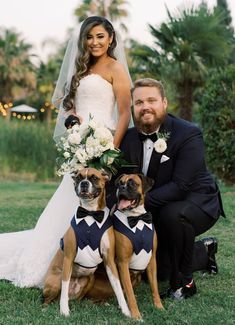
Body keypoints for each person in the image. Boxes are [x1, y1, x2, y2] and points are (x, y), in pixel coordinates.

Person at [0, 16, 132, 288]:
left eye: (100, 36)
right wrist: (75, 130)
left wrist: (112, 151)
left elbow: (124, 113)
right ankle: (51, 260)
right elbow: (71, 107)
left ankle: (91, 264)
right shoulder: (79, 69)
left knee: (95, 206)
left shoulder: (116, 68)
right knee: (67, 201)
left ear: (110, 39)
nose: (94, 42)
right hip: (79, 147)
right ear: (83, 40)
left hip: (104, 147)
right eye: (89, 37)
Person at [116, 78, 225, 300]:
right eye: (139, 102)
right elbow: (121, 178)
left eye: (151, 100)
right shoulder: (128, 138)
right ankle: (203, 251)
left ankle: (185, 282)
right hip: (157, 202)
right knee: (158, 270)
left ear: (164, 103)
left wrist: (138, 203)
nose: (145, 106)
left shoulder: (189, 133)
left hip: (196, 202)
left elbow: (181, 186)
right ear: (133, 108)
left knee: (172, 215)